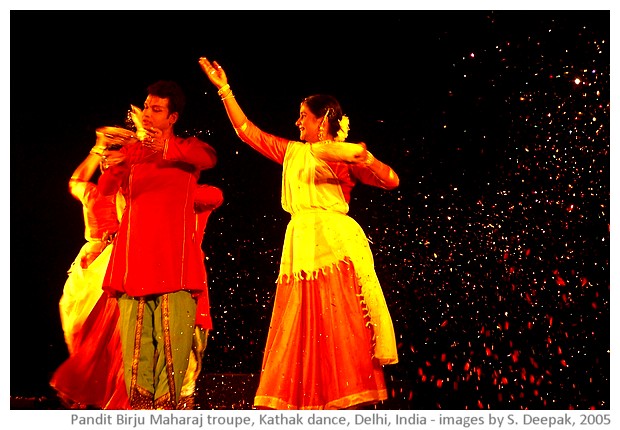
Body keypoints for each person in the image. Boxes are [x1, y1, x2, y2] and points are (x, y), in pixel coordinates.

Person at [199, 57, 400, 410]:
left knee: (339, 319)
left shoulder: (343, 155)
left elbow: (391, 180)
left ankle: (345, 397)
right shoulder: (294, 152)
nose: (297, 121)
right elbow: (247, 132)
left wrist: (365, 159)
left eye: (303, 116)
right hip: (301, 243)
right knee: (302, 319)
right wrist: (224, 90)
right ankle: (306, 396)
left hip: (335, 244)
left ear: (323, 119)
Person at [97, 80, 218, 409]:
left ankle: (170, 413)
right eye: (146, 107)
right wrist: (107, 156)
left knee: (173, 348)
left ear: (173, 117)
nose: (148, 114)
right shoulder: (132, 153)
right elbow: (106, 187)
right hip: (132, 262)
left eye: (157, 109)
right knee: (137, 351)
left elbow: (209, 159)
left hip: (174, 264)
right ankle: (141, 413)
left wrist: (161, 144)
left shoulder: (188, 149)